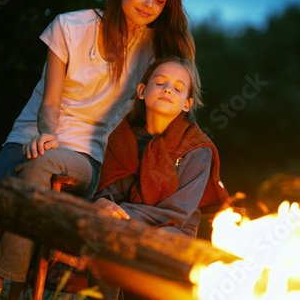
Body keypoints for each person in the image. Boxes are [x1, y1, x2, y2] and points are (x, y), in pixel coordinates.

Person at [0, 0, 195, 298]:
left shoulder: (154, 48)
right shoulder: (70, 26)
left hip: (89, 154)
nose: (149, 4)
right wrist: (46, 134)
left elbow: (176, 92)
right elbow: (50, 102)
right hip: (31, 136)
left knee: (36, 168)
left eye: (160, 0)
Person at [90, 56, 229, 299]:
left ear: (186, 104)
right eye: (160, 83)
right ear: (142, 91)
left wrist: (125, 215)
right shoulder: (121, 138)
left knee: (155, 249)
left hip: (172, 233)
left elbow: (176, 213)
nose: (167, 89)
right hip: (121, 224)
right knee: (106, 237)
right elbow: (108, 192)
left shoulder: (197, 150)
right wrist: (102, 202)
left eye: (177, 88)